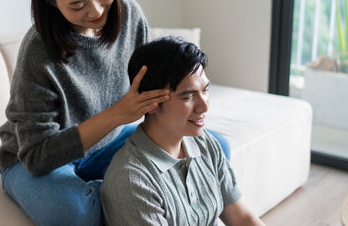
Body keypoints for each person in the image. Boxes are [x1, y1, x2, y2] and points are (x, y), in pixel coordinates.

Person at [0, 0, 230, 226]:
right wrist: (117, 116)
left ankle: (116, 192)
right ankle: (115, 194)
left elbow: (153, 90)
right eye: (77, 5)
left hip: (106, 144)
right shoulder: (39, 51)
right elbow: (36, 157)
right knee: (77, 214)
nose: (96, 11)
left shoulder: (129, 15)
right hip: (36, 162)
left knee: (214, 148)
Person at [100, 37, 265, 226]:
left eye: (205, 90)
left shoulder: (206, 144)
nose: (204, 107)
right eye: (188, 97)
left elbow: (242, 218)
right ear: (150, 103)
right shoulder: (131, 182)